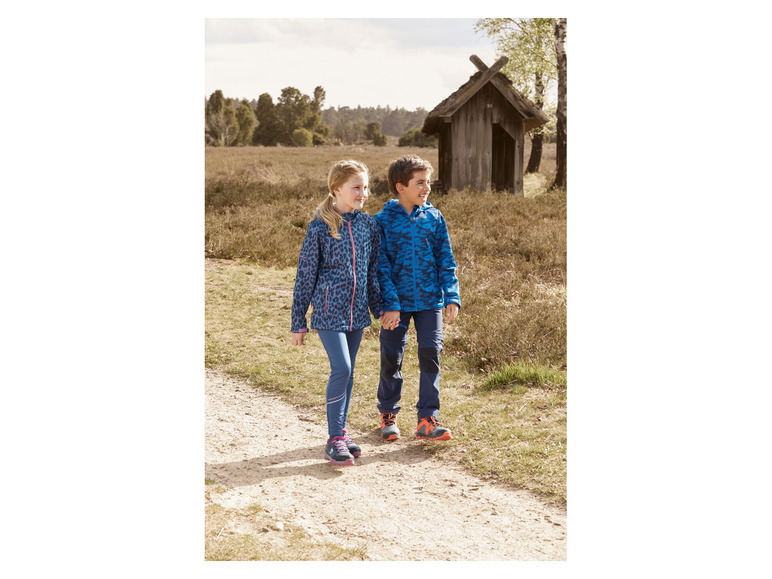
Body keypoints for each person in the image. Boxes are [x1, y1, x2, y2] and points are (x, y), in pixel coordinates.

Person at [291, 160, 382, 466]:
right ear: (336, 189)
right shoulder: (320, 227)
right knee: (341, 368)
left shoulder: (369, 225)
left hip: (357, 313)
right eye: (356, 187)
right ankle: (334, 439)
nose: (363, 193)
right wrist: (298, 322)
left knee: (349, 372)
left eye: (365, 187)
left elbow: (373, 272)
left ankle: (341, 432)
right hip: (328, 312)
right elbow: (305, 276)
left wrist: (379, 308)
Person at [374, 155, 460, 442]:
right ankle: (388, 415)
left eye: (428, 182)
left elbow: (445, 259)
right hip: (395, 305)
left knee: (431, 355)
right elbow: (380, 267)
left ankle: (427, 419)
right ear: (401, 187)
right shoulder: (382, 221)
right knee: (391, 358)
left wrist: (451, 294)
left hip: (429, 302)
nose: (427, 188)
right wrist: (390, 304)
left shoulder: (434, 217)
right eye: (420, 182)